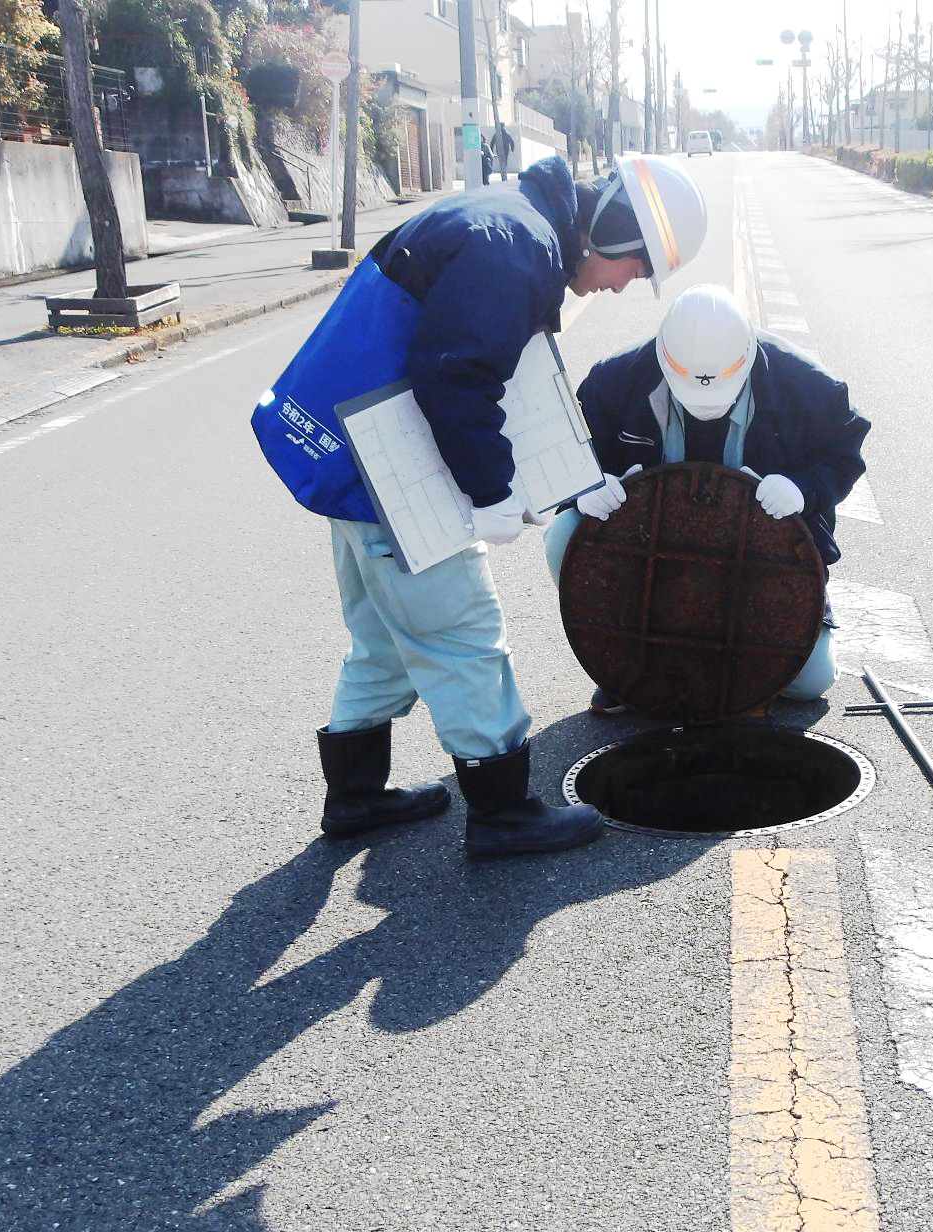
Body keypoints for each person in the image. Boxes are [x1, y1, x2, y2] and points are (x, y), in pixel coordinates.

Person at [250, 152, 708, 856]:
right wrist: (493, 491)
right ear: (617, 233)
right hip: (392, 475)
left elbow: (492, 370)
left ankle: (356, 797)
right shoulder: (517, 246)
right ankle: (503, 812)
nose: (623, 289)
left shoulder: (507, 221)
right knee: (464, 632)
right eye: (636, 270)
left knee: (384, 638)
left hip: (353, 458)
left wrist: (566, 475)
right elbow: (458, 377)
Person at [544, 283, 870, 715]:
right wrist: (582, 487)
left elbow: (843, 455)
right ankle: (625, 665)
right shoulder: (614, 381)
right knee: (564, 533)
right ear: (664, 361)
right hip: (648, 558)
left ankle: (748, 655)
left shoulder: (808, 386)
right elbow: (563, 455)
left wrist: (803, 488)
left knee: (811, 681)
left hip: (760, 560)